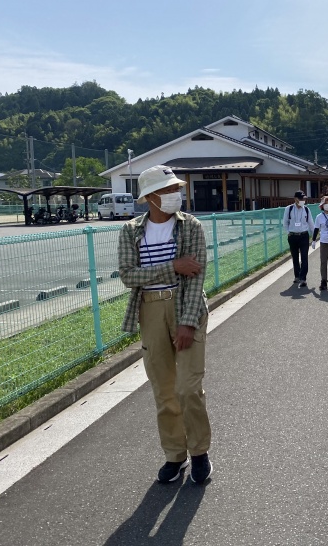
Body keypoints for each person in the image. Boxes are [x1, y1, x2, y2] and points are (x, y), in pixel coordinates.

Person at [118, 165, 213, 484]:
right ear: (150, 197)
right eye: (168, 190)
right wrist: (173, 265)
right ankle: (175, 455)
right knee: (163, 389)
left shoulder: (191, 226)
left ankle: (199, 452)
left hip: (186, 306)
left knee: (188, 388)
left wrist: (187, 323)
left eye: (176, 189)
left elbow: (195, 276)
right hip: (149, 309)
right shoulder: (131, 230)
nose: (176, 194)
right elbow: (128, 275)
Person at [282, 190, 315, 288]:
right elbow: (285, 222)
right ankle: (297, 276)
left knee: (304, 257)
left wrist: (314, 236)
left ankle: (303, 278)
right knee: (295, 257)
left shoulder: (306, 210)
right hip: (292, 236)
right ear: (295, 199)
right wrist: (288, 233)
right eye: (301, 199)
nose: (302, 201)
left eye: (303, 199)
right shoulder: (289, 209)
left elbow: (311, 223)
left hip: (304, 236)